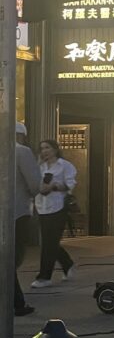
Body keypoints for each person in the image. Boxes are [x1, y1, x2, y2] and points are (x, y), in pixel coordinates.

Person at [31, 139, 77, 288]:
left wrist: (54, 186)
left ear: (55, 149)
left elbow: (70, 185)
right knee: (49, 241)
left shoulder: (65, 165)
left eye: (47, 147)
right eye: (42, 148)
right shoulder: (39, 166)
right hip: (42, 207)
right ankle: (67, 263)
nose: (44, 151)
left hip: (58, 207)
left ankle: (44, 277)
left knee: (49, 243)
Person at [14, 123, 41, 313]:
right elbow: (35, 184)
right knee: (12, 258)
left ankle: (16, 301)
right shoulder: (21, 152)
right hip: (17, 212)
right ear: (21, 136)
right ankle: (16, 302)